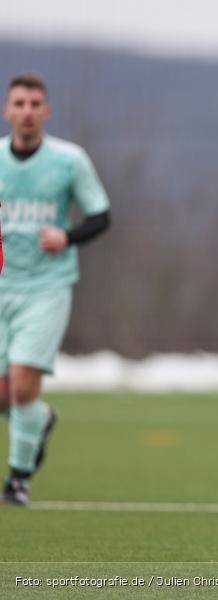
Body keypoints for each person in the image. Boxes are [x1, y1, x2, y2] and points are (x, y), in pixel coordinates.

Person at [0, 73, 111, 505]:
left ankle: (17, 479)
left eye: (34, 104)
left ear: (46, 112)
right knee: (5, 393)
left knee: (23, 384)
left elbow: (101, 216)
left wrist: (68, 237)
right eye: (19, 104)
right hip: (3, 283)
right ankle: (40, 420)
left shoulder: (69, 160)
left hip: (47, 286)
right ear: (8, 111)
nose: (27, 111)